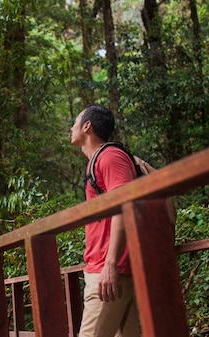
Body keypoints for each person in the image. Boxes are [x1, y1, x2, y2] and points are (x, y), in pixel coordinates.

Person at [70, 104, 140, 337]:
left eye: (75, 122)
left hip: (110, 271)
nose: (72, 127)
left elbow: (124, 204)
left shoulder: (110, 156)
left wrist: (110, 265)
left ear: (87, 126)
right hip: (112, 270)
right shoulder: (98, 160)